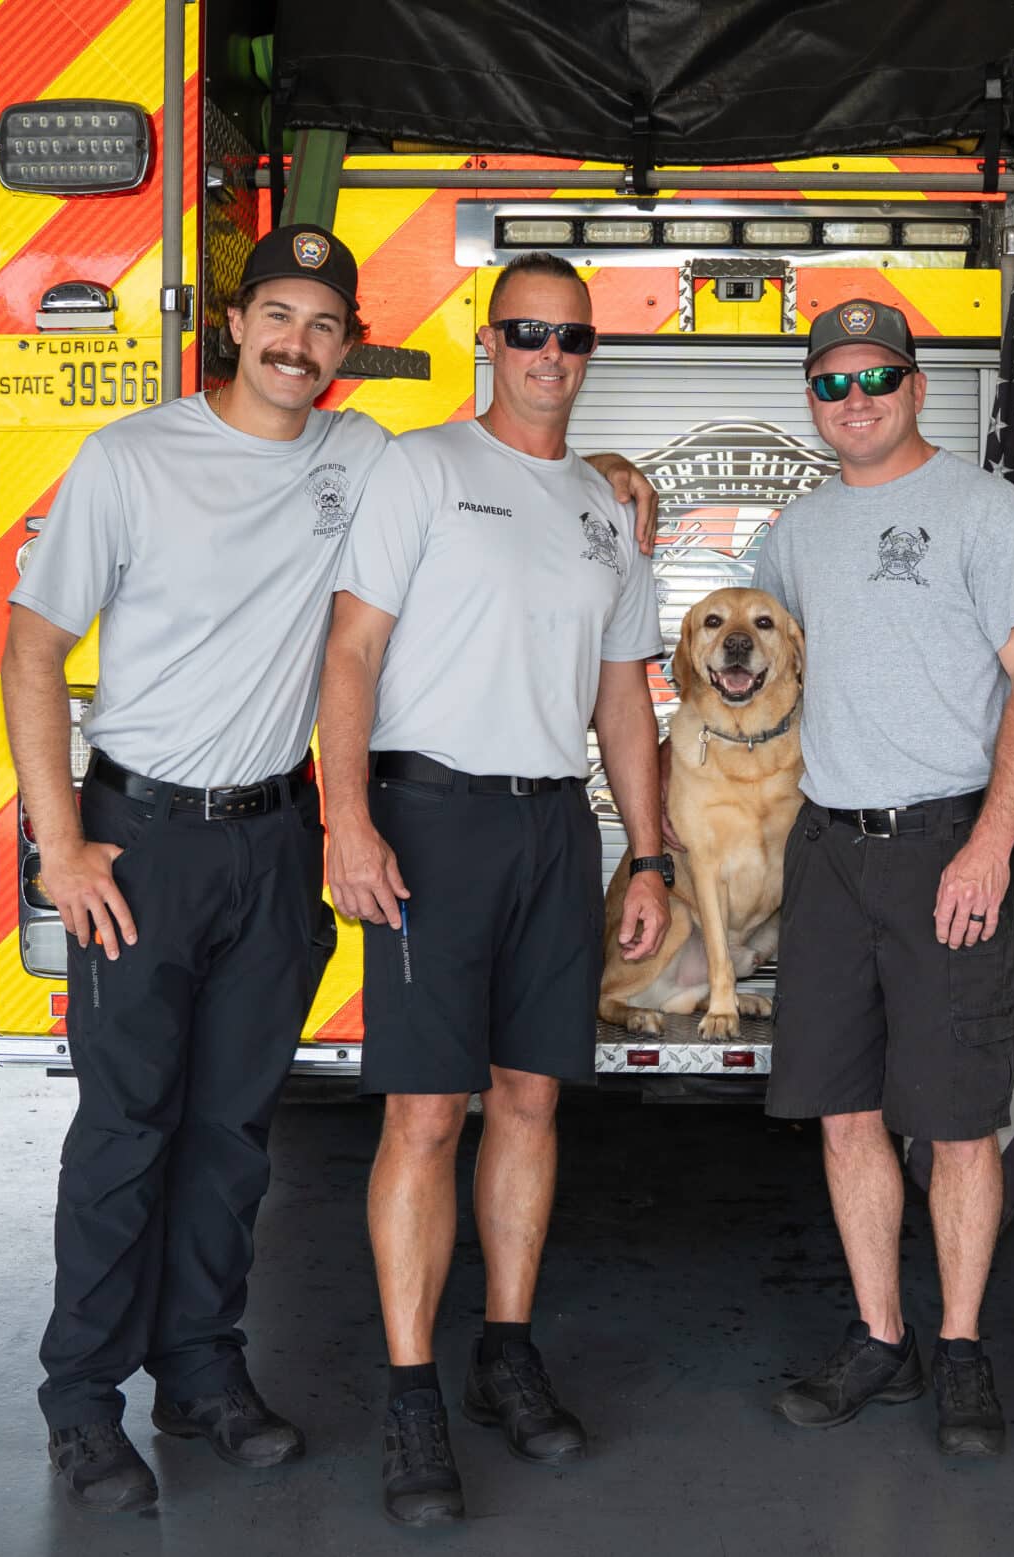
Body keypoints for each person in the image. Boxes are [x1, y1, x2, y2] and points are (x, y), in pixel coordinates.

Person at [7, 227, 660, 1516]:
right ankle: (82, 1401)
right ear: (236, 322)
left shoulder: (361, 458)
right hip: (139, 835)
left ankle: (199, 1371)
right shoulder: (130, 458)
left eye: (324, 327)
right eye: (280, 318)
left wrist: (610, 470)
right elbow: (33, 650)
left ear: (344, 345)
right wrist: (59, 840)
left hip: (271, 838)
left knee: (234, 1131)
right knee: (127, 1130)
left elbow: (526, 495)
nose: (298, 345)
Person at [317, 251, 672, 1527]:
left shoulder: (603, 506)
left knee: (530, 1103)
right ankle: (411, 1394)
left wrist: (648, 849)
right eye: (525, 332)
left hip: (546, 830)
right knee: (424, 1115)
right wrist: (346, 822)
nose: (546, 356)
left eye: (570, 339)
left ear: (590, 355)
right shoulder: (422, 469)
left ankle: (503, 1353)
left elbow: (623, 690)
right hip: (427, 818)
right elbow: (350, 650)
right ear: (488, 337)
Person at [749, 298, 1014, 1458]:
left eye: (875, 378)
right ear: (813, 402)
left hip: (946, 847)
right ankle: (881, 1341)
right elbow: (742, 621)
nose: (855, 402)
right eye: (830, 385)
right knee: (845, 1116)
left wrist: (989, 844)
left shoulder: (984, 510)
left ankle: (965, 1349)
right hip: (828, 851)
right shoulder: (800, 528)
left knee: (955, 1123)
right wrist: (628, 491)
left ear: (916, 386)